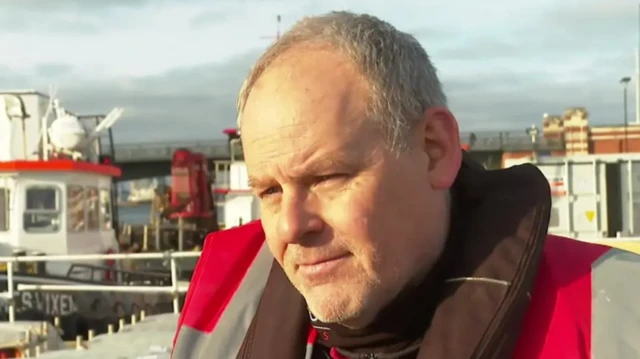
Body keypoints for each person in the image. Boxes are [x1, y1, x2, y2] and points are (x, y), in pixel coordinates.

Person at [173, 11, 640, 359]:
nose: (291, 226)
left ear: (434, 150)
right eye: (270, 192)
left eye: (327, 177)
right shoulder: (221, 308)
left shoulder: (617, 315)